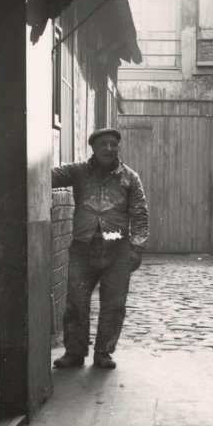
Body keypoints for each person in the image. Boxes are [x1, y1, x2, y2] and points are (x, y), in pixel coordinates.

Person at [51, 127, 149, 369]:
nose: (109, 148)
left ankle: (104, 352)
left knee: (114, 304)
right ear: (93, 147)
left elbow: (139, 214)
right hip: (83, 247)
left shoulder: (129, 177)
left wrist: (136, 248)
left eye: (113, 144)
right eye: (103, 144)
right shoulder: (78, 172)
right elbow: (46, 177)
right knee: (76, 301)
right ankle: (74, 352)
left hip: (117, 248)